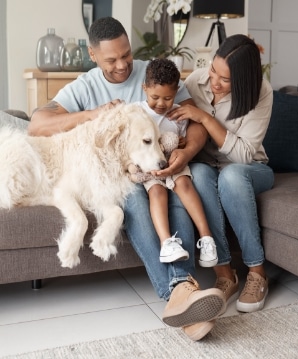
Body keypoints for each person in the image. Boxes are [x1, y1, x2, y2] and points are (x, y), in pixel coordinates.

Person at [29, 17, 225, 341]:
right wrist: (94, 115)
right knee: (134, 197)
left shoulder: (153, 74)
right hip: (122, 178)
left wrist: (186, 152)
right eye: (112, 60)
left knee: (176, 188)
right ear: (93, 55)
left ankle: (184, 295)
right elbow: (37, 124)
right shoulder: (86, 85)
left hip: (164, 165)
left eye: (126, 55)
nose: (122, 65)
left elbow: (195, 121)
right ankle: (182, 289)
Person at [165, 34, 274, 314]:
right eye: (214, 70)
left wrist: (205, 118)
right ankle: (225, 275)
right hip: (207, 167)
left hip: (251, 170)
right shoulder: (195, 82)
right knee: (198, 176)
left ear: (243, 80)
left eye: (225, 80)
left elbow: (243, 154)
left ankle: (257, 272)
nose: (214, 81)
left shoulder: (261, 93)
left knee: (231, 176)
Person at [133, 58, 217, 267]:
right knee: (157, 192)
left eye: (168, 98)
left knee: (184, 185)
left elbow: (183, 140)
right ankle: (166, 243)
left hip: (174, 164)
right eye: (155, 97)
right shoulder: (136, 112)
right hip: (151, 168)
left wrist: (181, 143)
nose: (161, 104)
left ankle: (207, 239)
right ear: (144, 89)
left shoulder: (179, 113)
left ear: (177, 91)